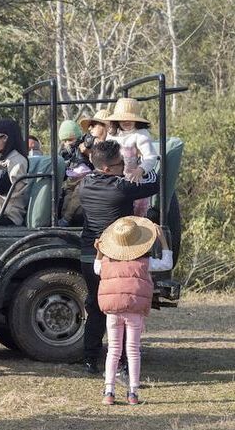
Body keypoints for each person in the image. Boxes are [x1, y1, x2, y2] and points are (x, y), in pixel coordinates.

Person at [79, 140, 160, 374]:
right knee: (123, 308)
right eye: (120, 163)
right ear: (106, 168)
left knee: (95, 306)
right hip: (116, 257)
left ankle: (90, 359)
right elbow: (155, 184)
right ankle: (124, 362)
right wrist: (143, 168)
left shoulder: (84, 184)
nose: (124, 167)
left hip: (88, 255)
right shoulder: (120, 187)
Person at [95, 217, 173, 405]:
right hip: (134, 310)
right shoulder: (145, 262)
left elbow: (96, 268)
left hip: (113, 310)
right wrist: (162, 241)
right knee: (133, 350)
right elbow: (167, 263)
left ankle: (109, 392)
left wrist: (99, 251)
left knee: (113, 350)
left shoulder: (106, 261)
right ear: (139, 242)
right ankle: (132, 393)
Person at [106, 98, 158, 217]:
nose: (126, 122)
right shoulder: (112, 134)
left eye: (130, 119)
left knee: (136, 206)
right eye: (123, 119)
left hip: (133, 177)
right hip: (114, 178)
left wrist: (141, 169)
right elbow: (106, 154)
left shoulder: (141, 134)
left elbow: (150, 156)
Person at [58, 120, 92, 227]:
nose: (68, 143)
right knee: (67, 198)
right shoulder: (65, 152)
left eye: (70, 139)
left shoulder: (82, 143)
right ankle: (63, 218)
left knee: (77, 196)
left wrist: (85, 146)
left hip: (84, 175)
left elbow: (89, 141)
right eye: (65, 140)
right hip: (71, 178)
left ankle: (66, 219)